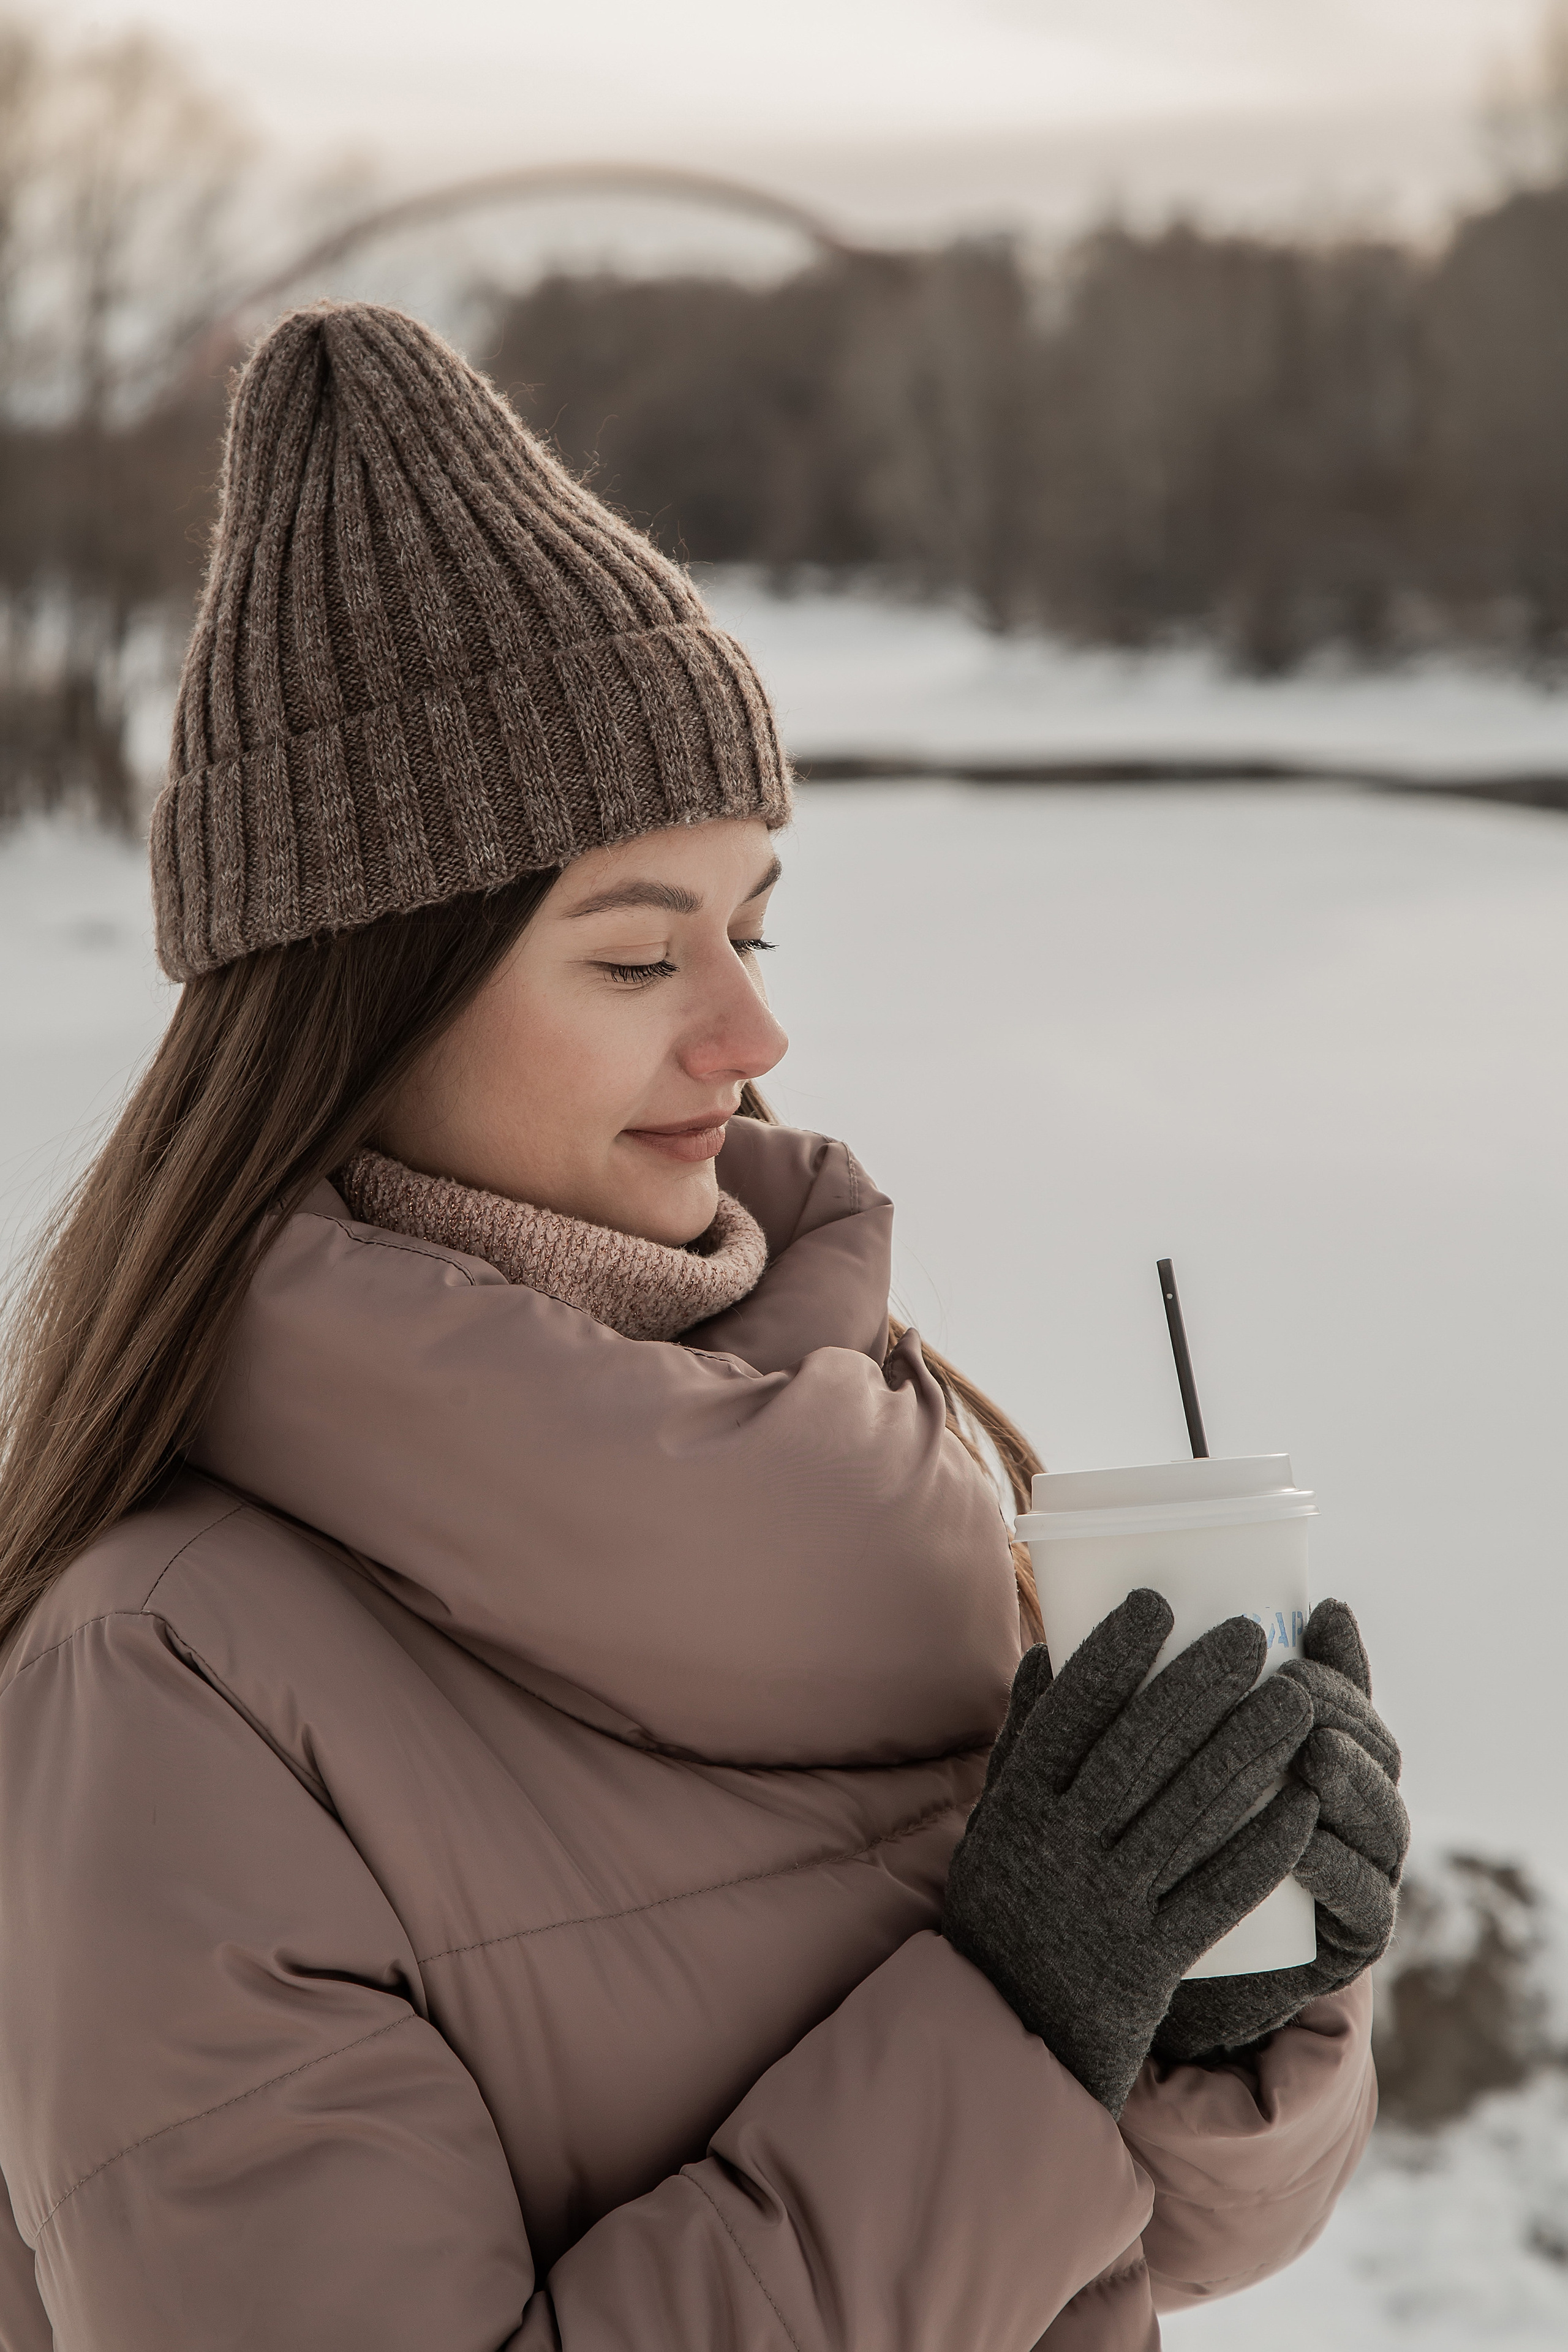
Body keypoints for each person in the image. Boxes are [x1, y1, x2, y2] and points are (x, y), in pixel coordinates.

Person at [0, 303, 1405, 2351]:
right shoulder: (162, 1691)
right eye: (638, 955)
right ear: (363, 1003)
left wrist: (1213, 2003)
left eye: (752, 925)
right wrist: (1020, 2011)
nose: (756, 1032)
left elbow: (1115, 2256)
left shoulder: (858, 1455)